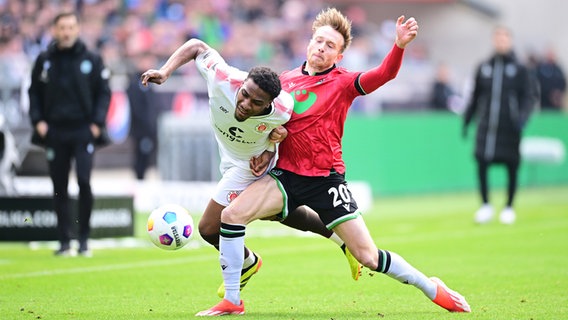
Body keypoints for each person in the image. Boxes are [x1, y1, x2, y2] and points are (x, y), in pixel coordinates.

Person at [197, 8, 471, 316]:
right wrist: (266, 148)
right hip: (285, 175)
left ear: (338, 55)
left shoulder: (343, 83)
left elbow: (384, 75)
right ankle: (233, 300)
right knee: (232, 216)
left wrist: (399, 46)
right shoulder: (284, 83)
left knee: (368, 256)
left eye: (330, 46)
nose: (321, 48)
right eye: (318, 41)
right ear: (309, 43)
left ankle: (431, 287)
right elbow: (267, 124)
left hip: (326, 180)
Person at [140, 38, 361, 298]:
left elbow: (295, 128)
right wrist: (165, 71)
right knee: (278, 213)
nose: (245, 104)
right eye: (245, 94)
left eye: (256, 103)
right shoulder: (223, 77)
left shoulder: (283, 107)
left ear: (269, 104)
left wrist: (270, 148)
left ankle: (247, 263)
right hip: (229, 155)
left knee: (209, 228)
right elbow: (197, 46)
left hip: (249, 165)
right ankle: (341, 241)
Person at [28, 12, 111, 257]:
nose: (66, 32)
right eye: (62, 27)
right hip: (55, 130)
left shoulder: (92, 59)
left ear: (77, 29)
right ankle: (64, 241)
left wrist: (97, 123)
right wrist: (38, 121)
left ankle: (83, 239)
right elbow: (33, 92)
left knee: (84, 181)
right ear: (54, 30)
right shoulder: (44, 60)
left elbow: (104, 93)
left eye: (71, 27)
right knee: (59, 186)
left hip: (83, 130)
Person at [463, 26, 535, 225]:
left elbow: (528, 97)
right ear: (493, 40)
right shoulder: (484, 67)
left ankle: (509, 207)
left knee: (511, 166)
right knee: (482, 163)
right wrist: (467, 120)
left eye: (505, 38)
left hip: (509, 127)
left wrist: (522, 117)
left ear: (510, 41)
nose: (501, 42)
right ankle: (485, 205)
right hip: (486, 126)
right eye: (498, 38)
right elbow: (475, 96)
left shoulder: (520, 69)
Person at [536, 46, 566, 111]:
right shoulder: (541, 68)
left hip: (556, 102)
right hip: (545, 101)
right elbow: (539, 82)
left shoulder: (558, 69)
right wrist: (549, 93)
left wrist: (557, 93)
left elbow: (563, 82)